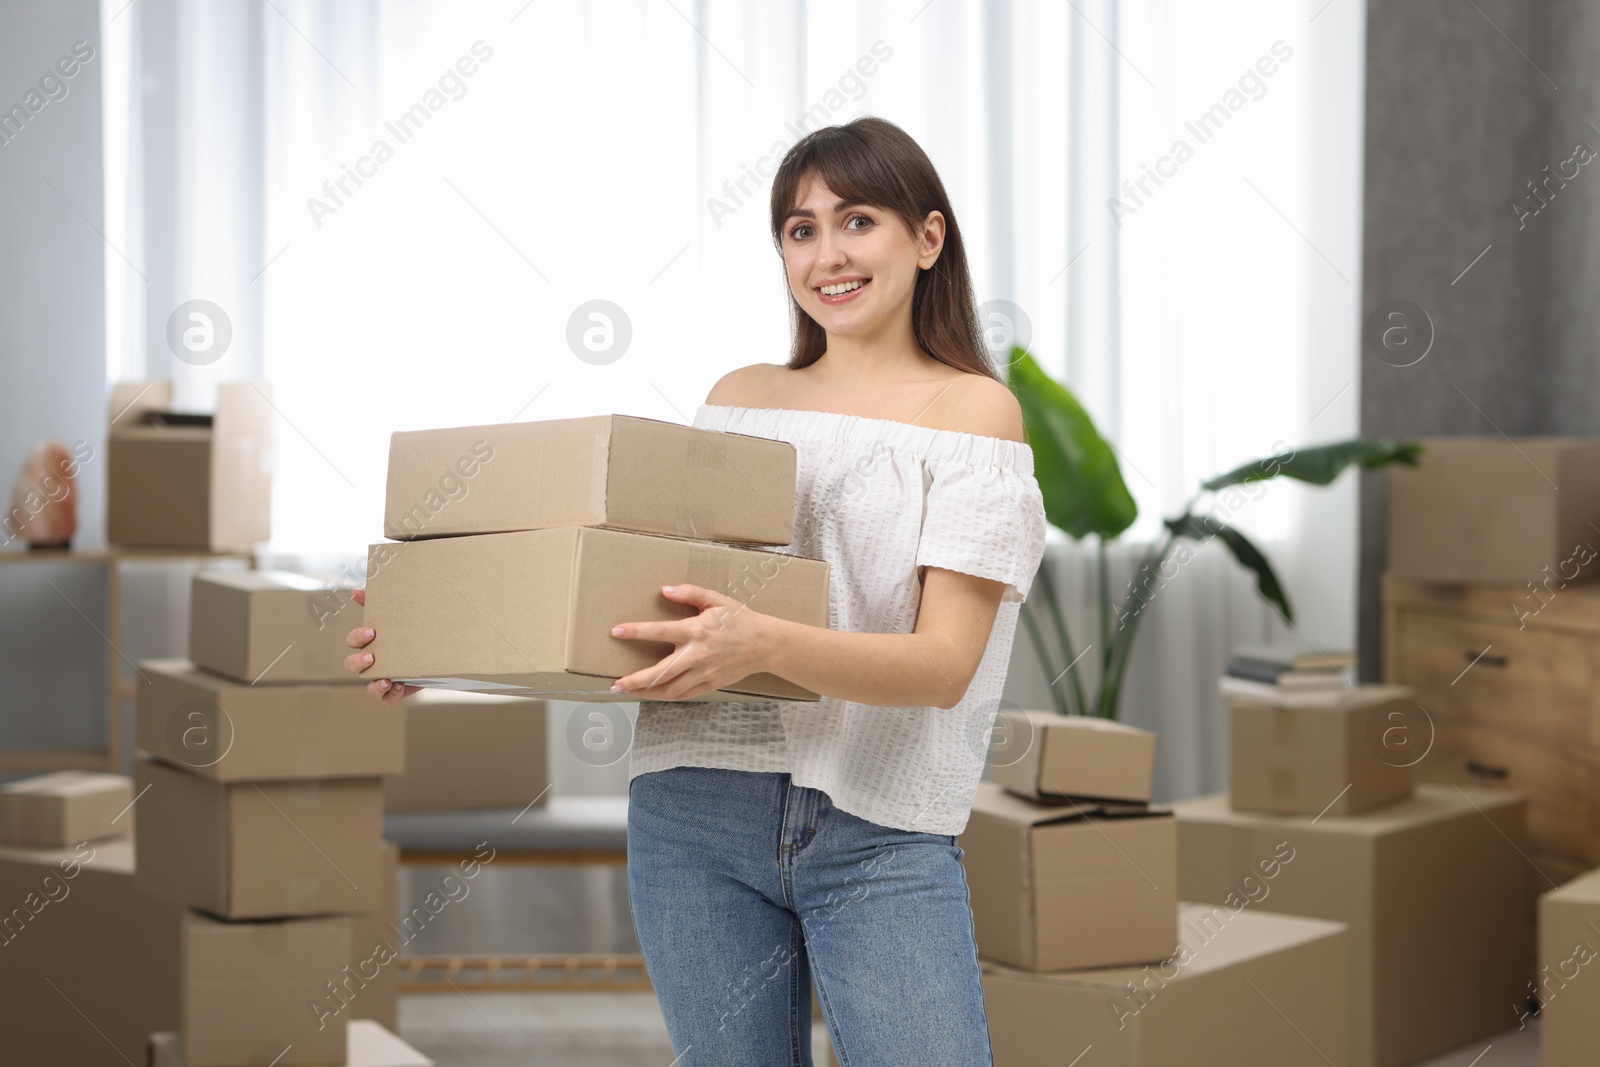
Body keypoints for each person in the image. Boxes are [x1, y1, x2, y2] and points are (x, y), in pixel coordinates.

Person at [346, 115, 1047, 1067]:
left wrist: (762, 643)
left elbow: (941, 666)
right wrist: (446, 646)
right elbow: (648, 596)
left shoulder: (974, 411)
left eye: (857, 221)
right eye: (799, 230)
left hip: (879, 826)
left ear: (927, 238)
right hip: (695, 809)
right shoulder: (742, 395)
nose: (827, 254)